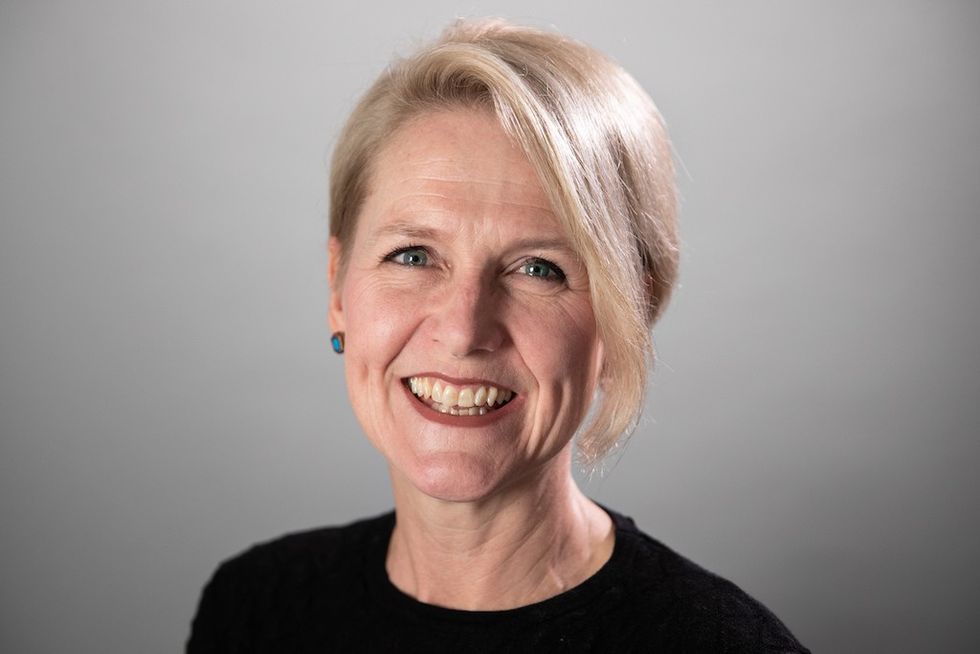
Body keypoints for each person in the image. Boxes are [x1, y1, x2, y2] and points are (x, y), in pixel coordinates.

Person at [187, 18, 809, 653]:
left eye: (539, 269)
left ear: (628, 315)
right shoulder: (257, 608)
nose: (462, 331)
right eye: (412, 255)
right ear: (337, 287)